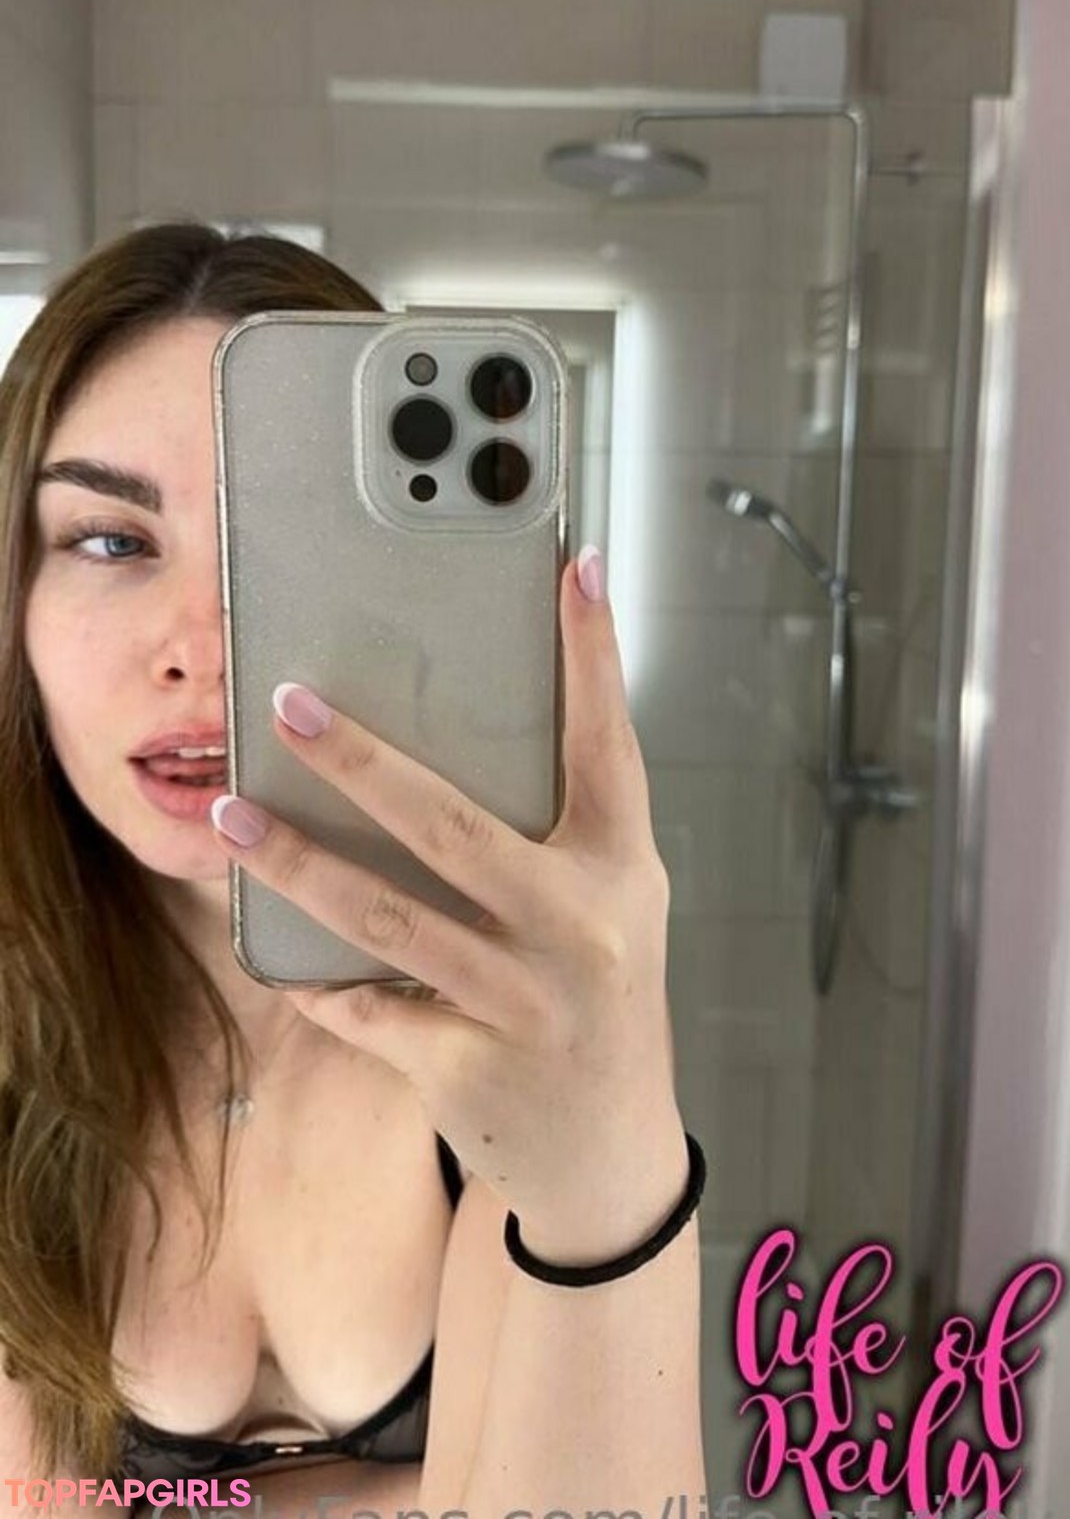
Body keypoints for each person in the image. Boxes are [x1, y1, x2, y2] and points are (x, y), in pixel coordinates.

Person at [0, 222, 708, 1517]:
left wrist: (613, 1163)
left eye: (276, 548)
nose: (201, 647)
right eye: (111, 540)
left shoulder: (508, 1002)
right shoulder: (14, 1014)